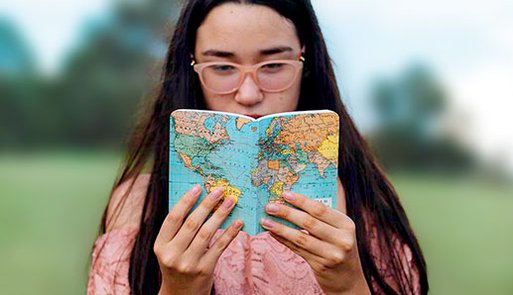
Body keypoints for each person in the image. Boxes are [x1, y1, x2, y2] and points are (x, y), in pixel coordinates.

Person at [88, 0, 428, 294]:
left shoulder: (365, 204)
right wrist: (179, 289)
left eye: (274, 65)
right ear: (191, 70)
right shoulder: (138, 207)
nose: (249, 94)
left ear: (305, 63)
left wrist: (347, 286)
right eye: (222, 67)